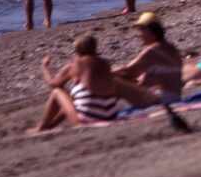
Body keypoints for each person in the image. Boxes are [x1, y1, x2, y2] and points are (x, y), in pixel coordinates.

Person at [32, 34, 162, 131]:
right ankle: (50, 126)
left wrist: (45, 67)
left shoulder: (76, 64)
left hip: (87, 118)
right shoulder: (105, 64)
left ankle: (42, 127)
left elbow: (53, 84)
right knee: (74, 96)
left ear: (78, 51)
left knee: (57, 92)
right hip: (109, 115)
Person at [114, 12, 184, 101]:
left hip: (162, 98)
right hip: (175, 96)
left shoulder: (153, 50)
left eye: (142, 30)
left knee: (116, 80)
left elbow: (127, 71)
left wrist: (104, 73)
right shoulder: (171, 48)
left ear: (152, 30)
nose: (139, 35)